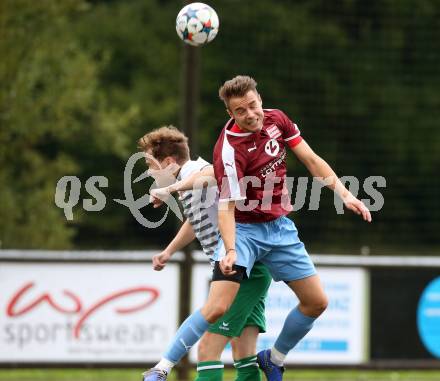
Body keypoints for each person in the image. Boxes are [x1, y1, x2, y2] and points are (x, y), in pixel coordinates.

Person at [143, 76, 372, 381]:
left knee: (317, 302)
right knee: (215, 311)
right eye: (241, 110)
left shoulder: (277, 120)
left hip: (279, 228)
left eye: (253, 105)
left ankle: (274, 358)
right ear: (231, 114)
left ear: (260, 99)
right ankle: (162, 368)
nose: (251, 114)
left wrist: (345, 194)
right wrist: (232, 249)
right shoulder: (228, 149)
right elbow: (227, 206)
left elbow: (311, 160)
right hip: (245, 233)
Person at [138, 126, 272, 381]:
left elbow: (213, 172)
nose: (148, 171)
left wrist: (171, 189)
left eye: (151, 164)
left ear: (168, 162)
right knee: (243, 351)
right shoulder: (189, 182)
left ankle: (161, 368)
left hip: (241, 268)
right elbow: (194, 220)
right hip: (252, 265)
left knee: (208, 348)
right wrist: (169, 251)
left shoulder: (192, 173)